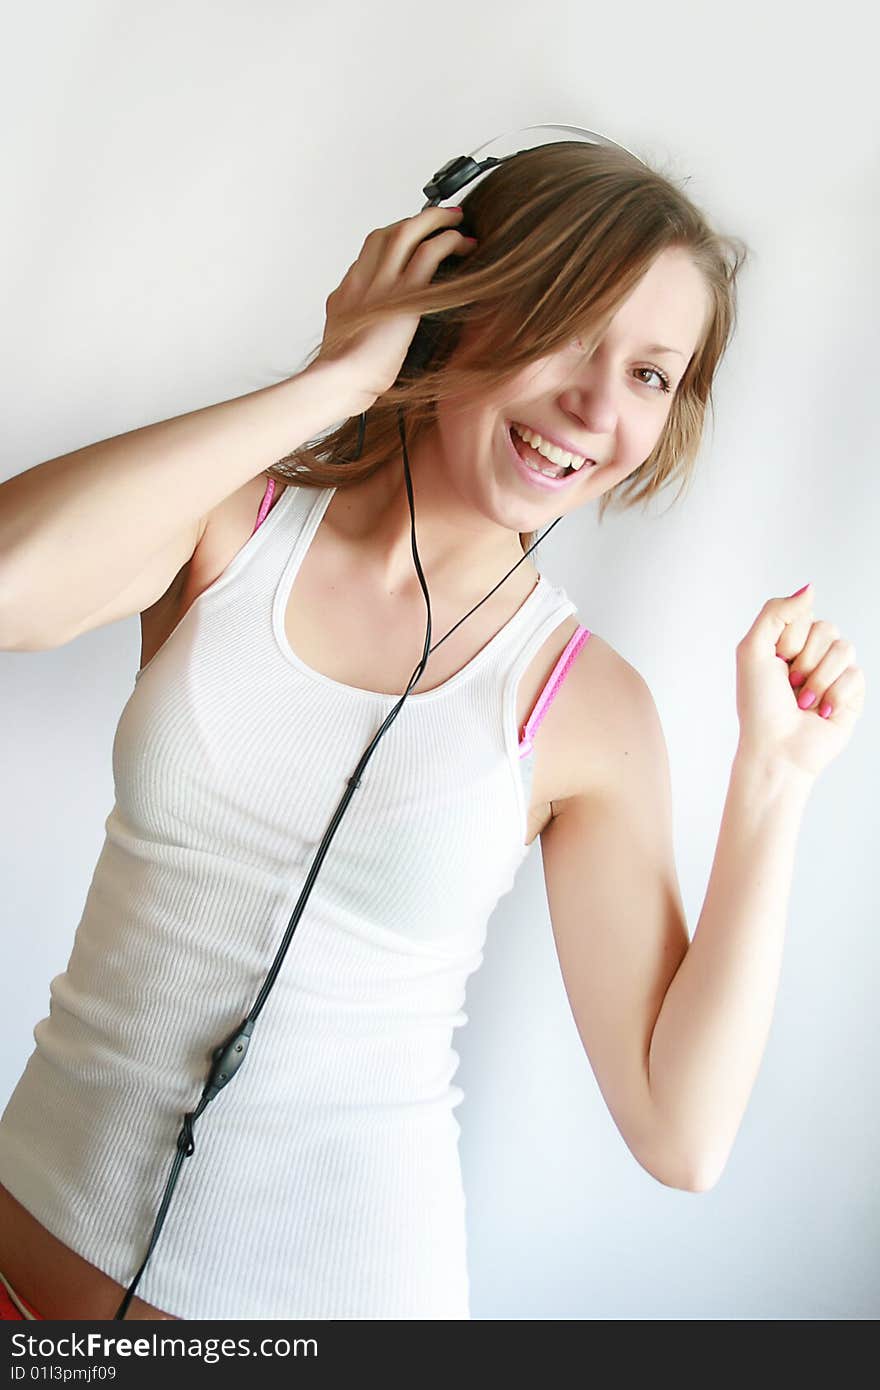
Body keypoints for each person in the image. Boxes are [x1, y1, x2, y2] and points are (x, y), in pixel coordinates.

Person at [0, 141, 864, 1321]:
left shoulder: (585, 703)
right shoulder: (228, 525)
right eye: (568, 330)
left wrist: (775, 778)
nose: (598, 407)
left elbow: (681, 1132)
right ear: (447, 305)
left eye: (652, 375)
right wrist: (332, 383)